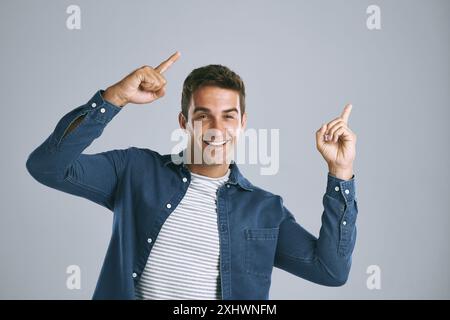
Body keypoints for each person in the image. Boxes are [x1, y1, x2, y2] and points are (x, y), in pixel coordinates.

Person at [26, 51, 358, 300]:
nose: (216, 129)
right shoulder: (134, 170)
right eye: (203, 116)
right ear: (184, 122)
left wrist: (340, 173)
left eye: (229, 116)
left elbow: (330, 271)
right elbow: (47, 167)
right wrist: (115, 98)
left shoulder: (265, 210)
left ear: (243, 123)